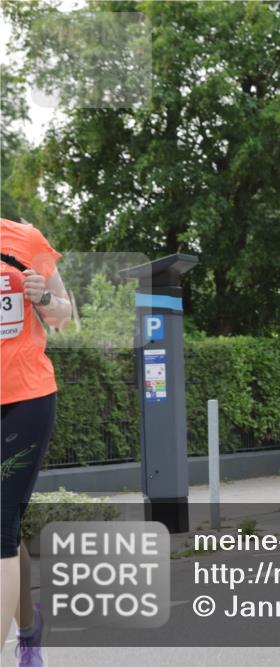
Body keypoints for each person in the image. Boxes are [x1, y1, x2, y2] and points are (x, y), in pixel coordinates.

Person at [2, 218, 71, 655]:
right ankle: (29, 629)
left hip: (25, 398)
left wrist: (42, 296)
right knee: (4, 526)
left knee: (0, 524)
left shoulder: (24, 239)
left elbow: (65, 313)